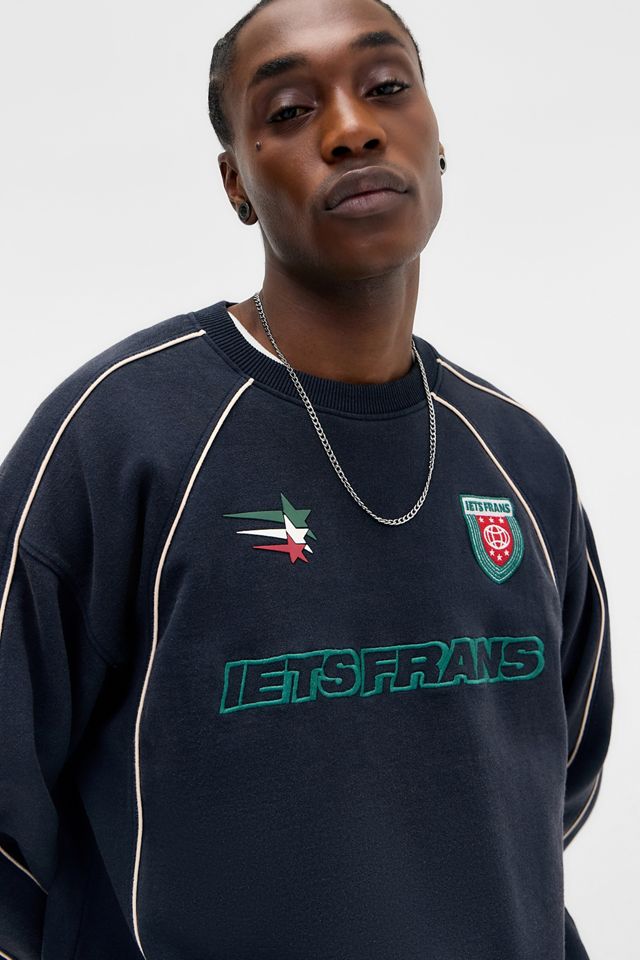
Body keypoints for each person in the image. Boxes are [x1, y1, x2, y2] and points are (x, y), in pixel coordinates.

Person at [0, 0, 614, 958]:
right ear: (235, 184)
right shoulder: (120, 439)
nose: (352, 129)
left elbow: (549, 794)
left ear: (437, 138)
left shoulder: (521, 460)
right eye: (289, 111)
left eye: (387, 87)